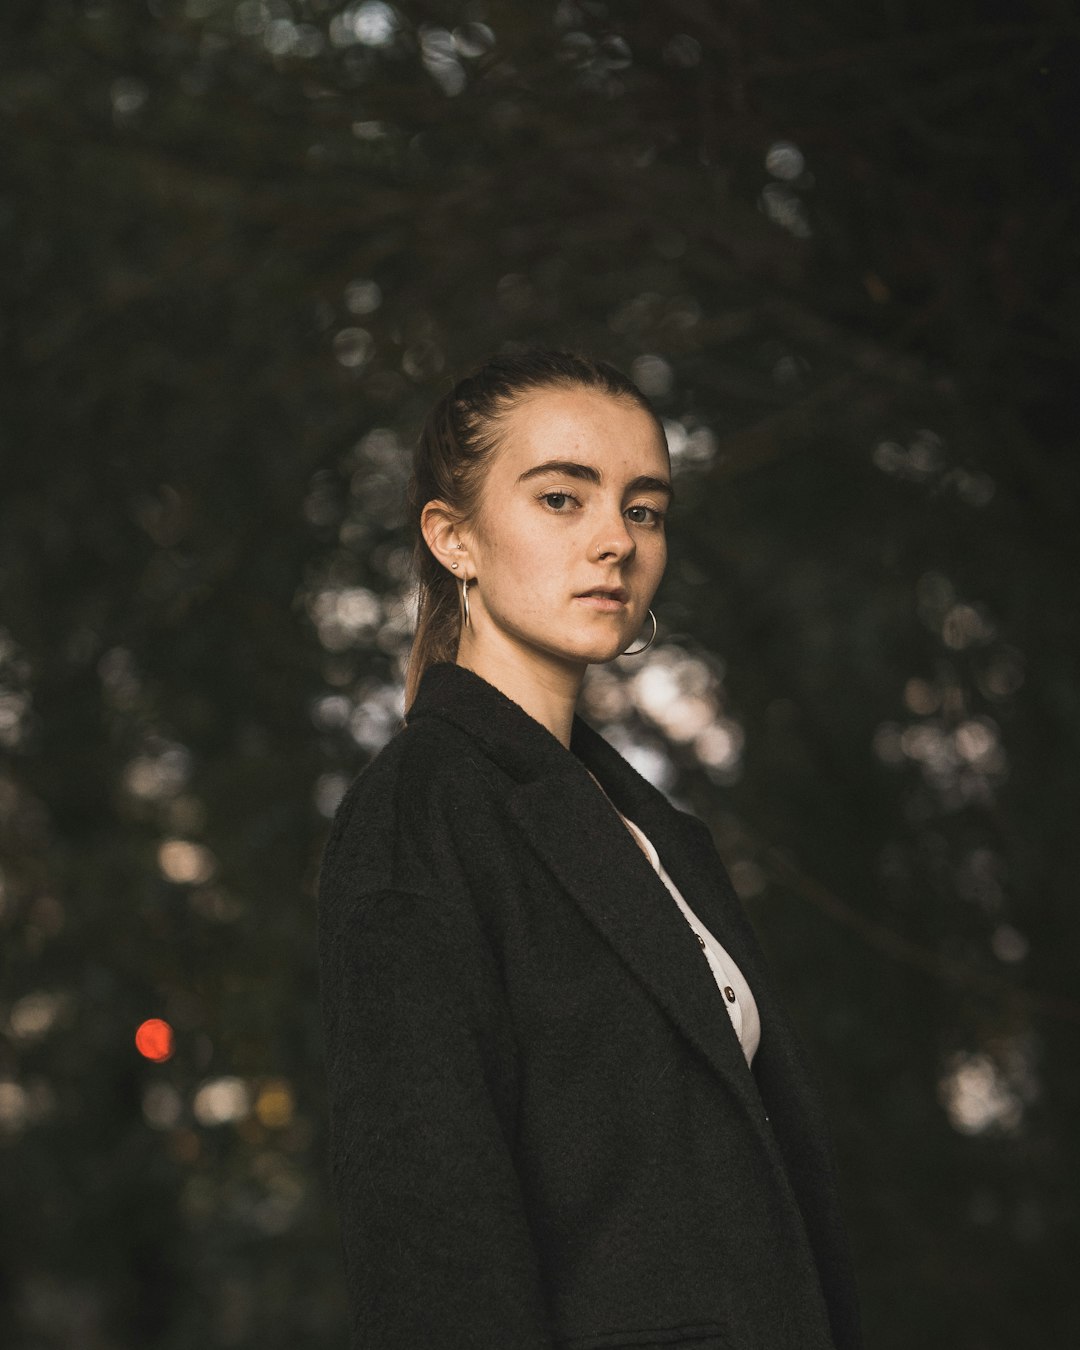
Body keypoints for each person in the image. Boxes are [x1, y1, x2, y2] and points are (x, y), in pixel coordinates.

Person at [317, 349, 862, 1350]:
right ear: (454, 537)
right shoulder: (423, 812)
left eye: (643, 508)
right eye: (563, 499)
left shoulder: (658, 836)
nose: (615, 540)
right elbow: (430, 1235)